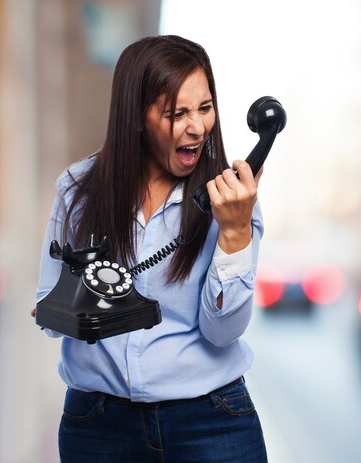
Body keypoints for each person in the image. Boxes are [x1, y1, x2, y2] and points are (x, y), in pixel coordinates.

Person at [34, 35, 267, 462]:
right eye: (177, 114)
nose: (197, 127)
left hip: (211, 421)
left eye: (205, 107)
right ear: (137, 118)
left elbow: (223, 333)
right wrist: (68, 306)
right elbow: (49, 317)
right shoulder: (77, 190)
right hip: (98, 426)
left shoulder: (230, 199)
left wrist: (234, 231)